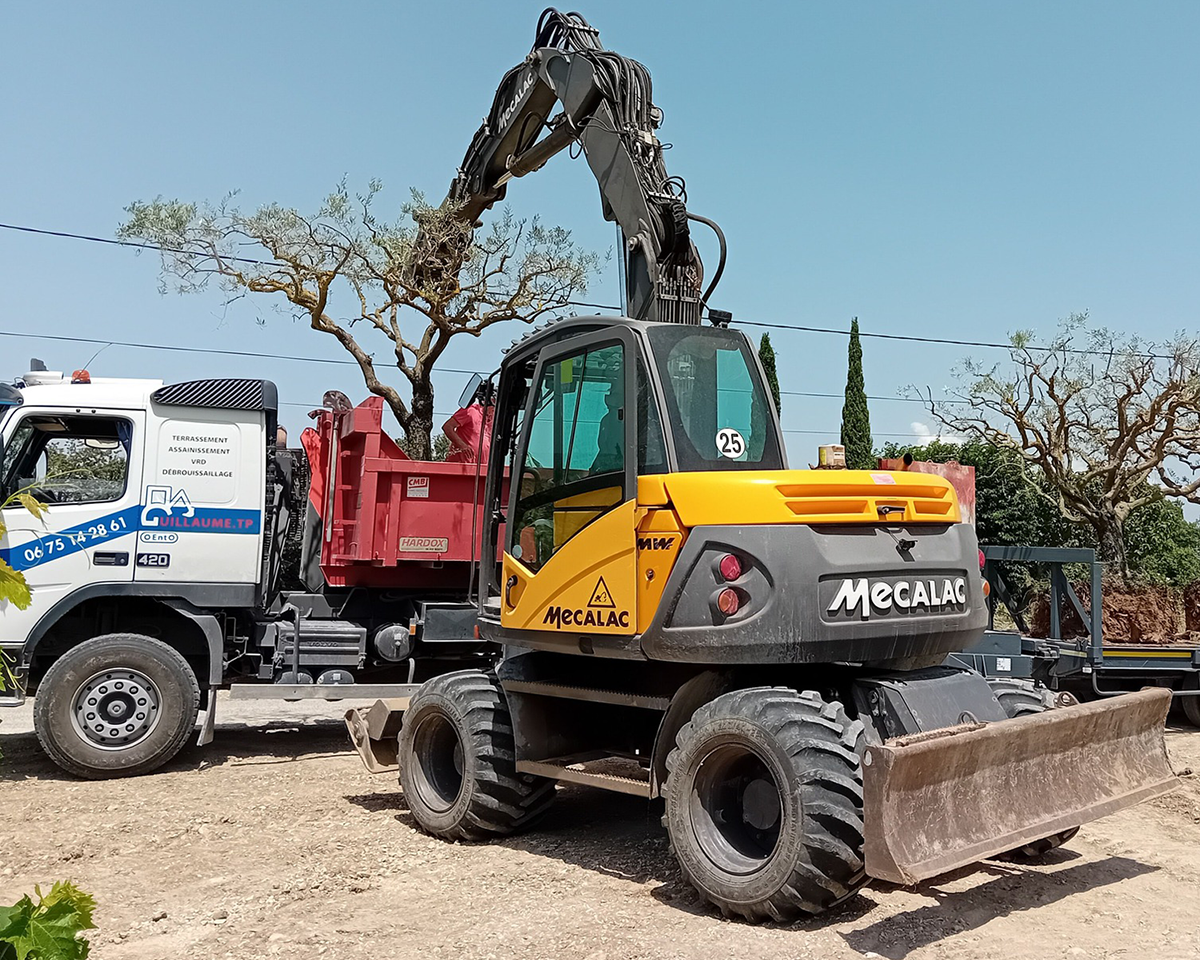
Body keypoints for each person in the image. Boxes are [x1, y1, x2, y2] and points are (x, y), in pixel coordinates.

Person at [443, 384, 494, 463]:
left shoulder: (494, 420)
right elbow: (447, 427)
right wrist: (462, 446)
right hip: (461, 465)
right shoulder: (470, 411)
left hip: (482, 467)